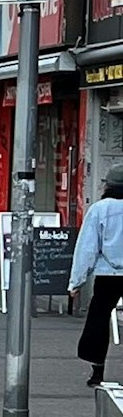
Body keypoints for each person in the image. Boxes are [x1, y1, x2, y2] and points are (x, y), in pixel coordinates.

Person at [72, 165, 123, 386]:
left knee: (99, 319)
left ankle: (97, 371)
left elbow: (87, 248)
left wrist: (76, 280)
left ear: (108, 185)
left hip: (108, 273)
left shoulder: (100, 209)